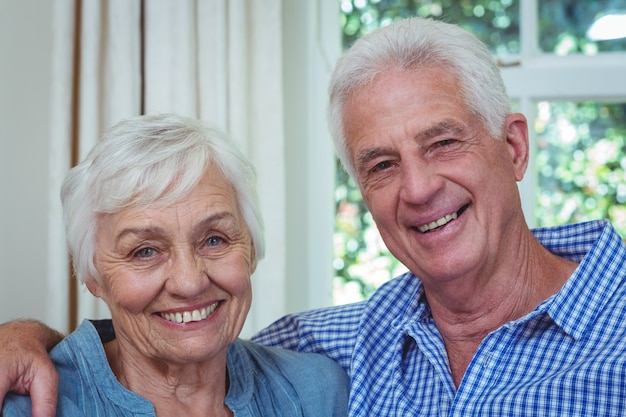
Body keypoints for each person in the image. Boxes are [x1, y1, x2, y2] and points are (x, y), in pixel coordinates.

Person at [2, 16, 626, 416]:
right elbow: (170, 344)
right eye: (381, 164)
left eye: (443, 142)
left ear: (514, 146)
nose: (418, 187)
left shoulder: (310, 384)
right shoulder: (329, 357)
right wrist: (31, 341)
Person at [0, 114, 349, 417]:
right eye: (145, 251)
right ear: (93, 275)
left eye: (214, 240)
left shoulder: (317, 394)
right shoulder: (26, 404)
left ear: (252, 247)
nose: (189, 282)